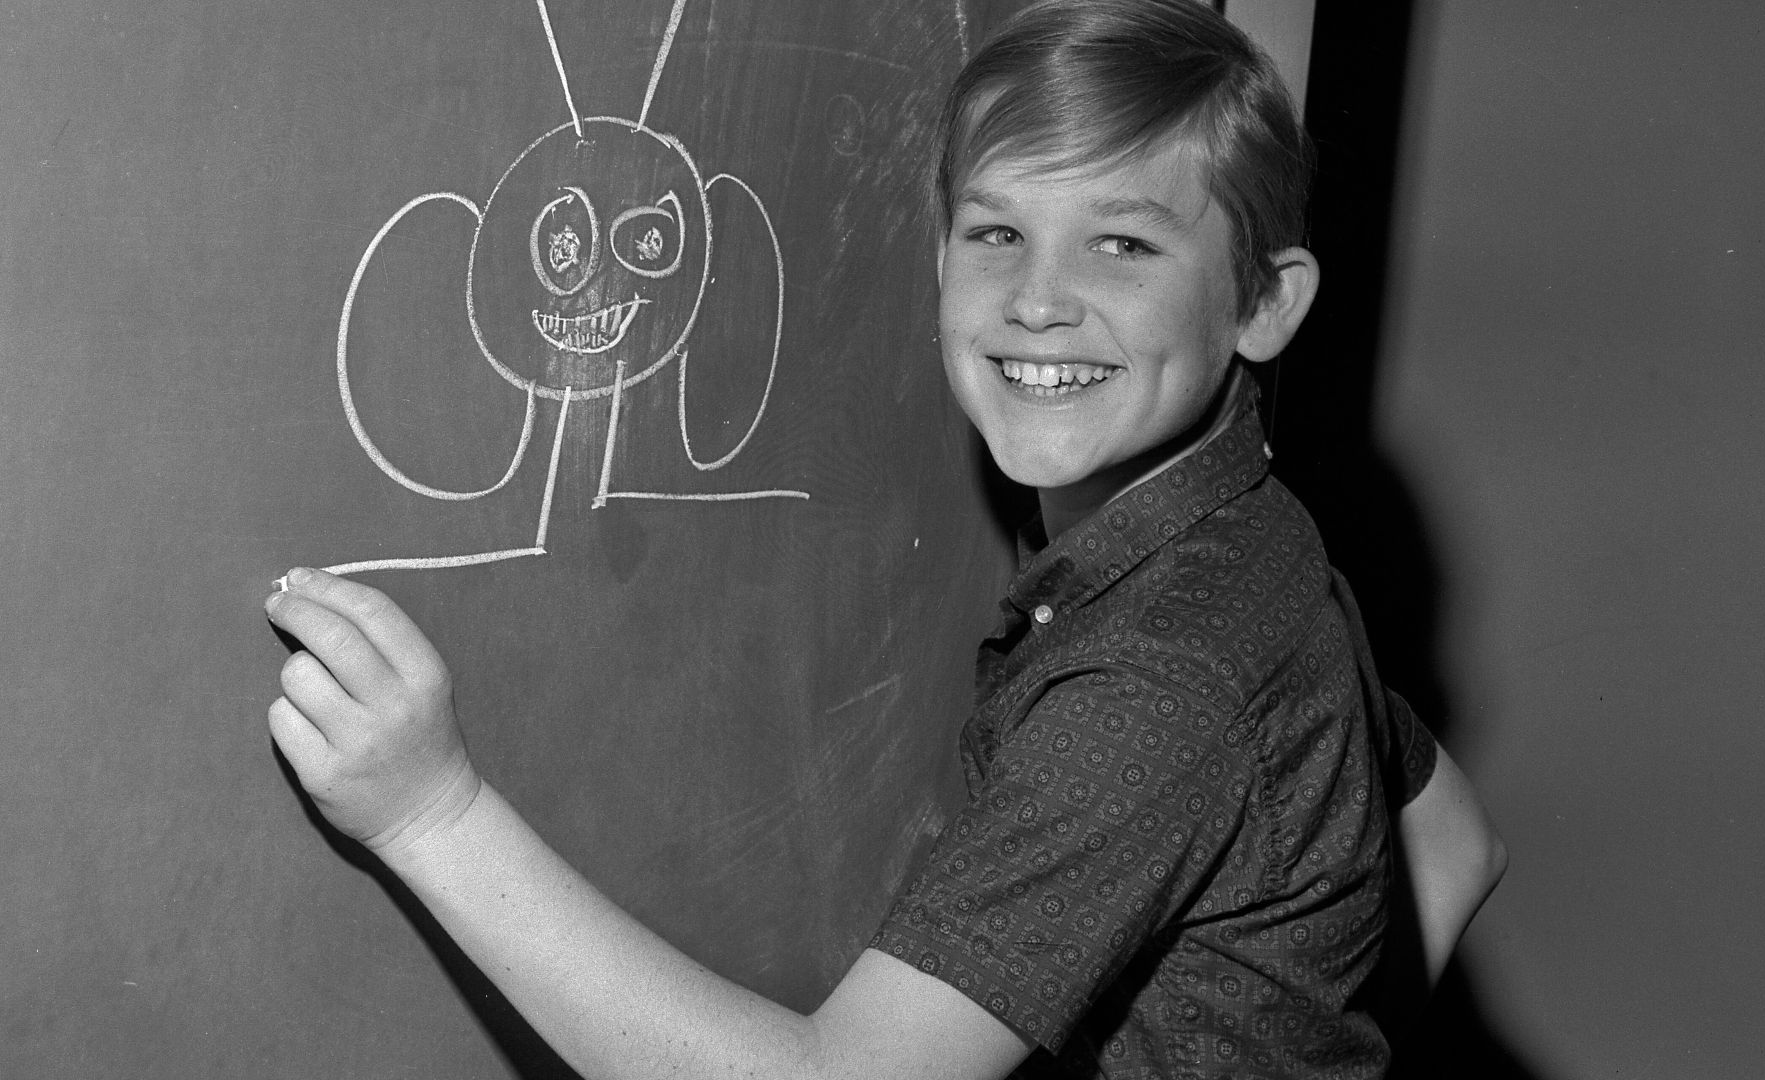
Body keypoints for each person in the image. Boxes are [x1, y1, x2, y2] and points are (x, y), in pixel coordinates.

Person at [263, 1, 1504, 1076]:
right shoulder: (1257, 551)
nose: (1037, 297)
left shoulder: (1157, 681)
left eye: (1124, 243)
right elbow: (1451, 839)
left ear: (1266, 301)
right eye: (995, 231)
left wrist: (431, 815)